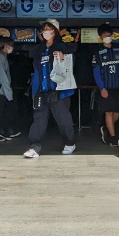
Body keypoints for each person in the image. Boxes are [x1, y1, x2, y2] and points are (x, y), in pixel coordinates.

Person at [23, 19, 78, 158]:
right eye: (44, 29)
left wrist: (63, 57)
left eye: (49, 29)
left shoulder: (62, 46)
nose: (45, 32)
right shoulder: (40, 49)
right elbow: (36, 70)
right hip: (41, 90)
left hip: (59, 91)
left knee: (63, 120)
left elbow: (71, 62)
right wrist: (35, 91)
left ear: (55, 31)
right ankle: (34, 147)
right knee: (39, 120)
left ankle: (70, 143)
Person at [93, 24, 119, 146]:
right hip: (106, 87)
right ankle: (112, 137)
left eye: (109, 34)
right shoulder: (98, 53)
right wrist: (102, 88)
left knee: (117, 111)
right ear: (100, 37)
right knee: (109, 112)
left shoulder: (118, 50)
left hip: (118, 85)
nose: (107, 37)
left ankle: (105, 128)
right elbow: (96, 72)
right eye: (105, 35)